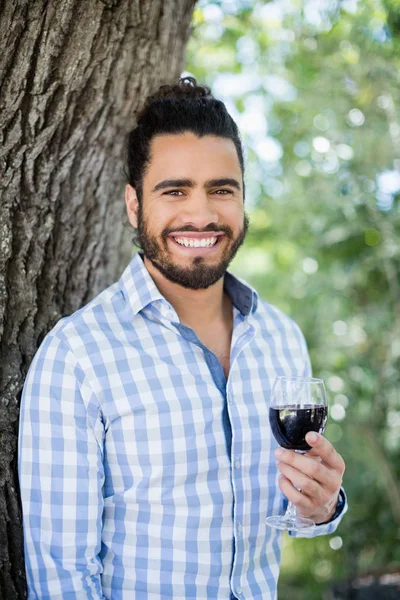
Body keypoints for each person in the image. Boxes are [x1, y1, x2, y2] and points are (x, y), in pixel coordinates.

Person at [18, 77, 347, 600]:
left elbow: (294, 512)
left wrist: (321, 506)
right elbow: (62, 580)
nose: (201, 214)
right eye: (175, 191)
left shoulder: (282, 339)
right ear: (134, 205)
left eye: (222, 189)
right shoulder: (77, 356)